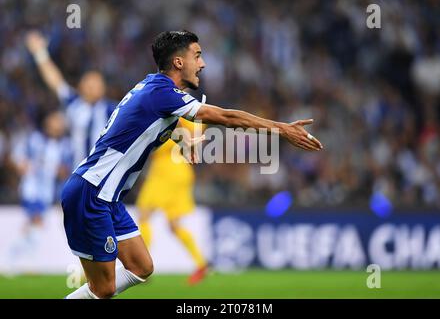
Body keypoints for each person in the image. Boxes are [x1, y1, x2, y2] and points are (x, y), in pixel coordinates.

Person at [63, 30, 323, 299]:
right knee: (103, 288)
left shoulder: (152, 90)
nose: (203, 64)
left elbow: (156, 128)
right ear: (178, 62)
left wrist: (185, 143)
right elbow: (226, 117)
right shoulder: (162, 92)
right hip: (91, 191)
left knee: (142, 266)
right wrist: (282, 129)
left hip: (108, 197)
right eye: (197, 56)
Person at [25, 31, 116, 167]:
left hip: (103, 175)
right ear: (81, 86)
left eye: (98, 83)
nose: (94, 87)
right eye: (90, 83)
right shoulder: (74, 103)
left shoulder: (112, 109)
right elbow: (55, 81)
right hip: (78, 172)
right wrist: (40, 54)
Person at [136, 118, 208, 285]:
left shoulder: (171, 111)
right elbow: (196, 131)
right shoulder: (190, 116)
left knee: (144, 215)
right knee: (174, 224)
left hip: (165, 171)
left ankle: (140, 265)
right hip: (182, 170)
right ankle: (201, 263)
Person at [10, 111, 71, 264]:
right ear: (47, 123)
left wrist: (61, 171)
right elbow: (18, 157)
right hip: (32, 189)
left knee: (34, 224)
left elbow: (66, 171)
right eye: (56, 121)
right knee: (37, 221)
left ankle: (15, 256)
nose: (59, 125)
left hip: (48, 192)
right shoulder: (35, 139)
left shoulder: (65, 145)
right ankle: (21, 259)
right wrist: (20, 164)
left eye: (60, 122)